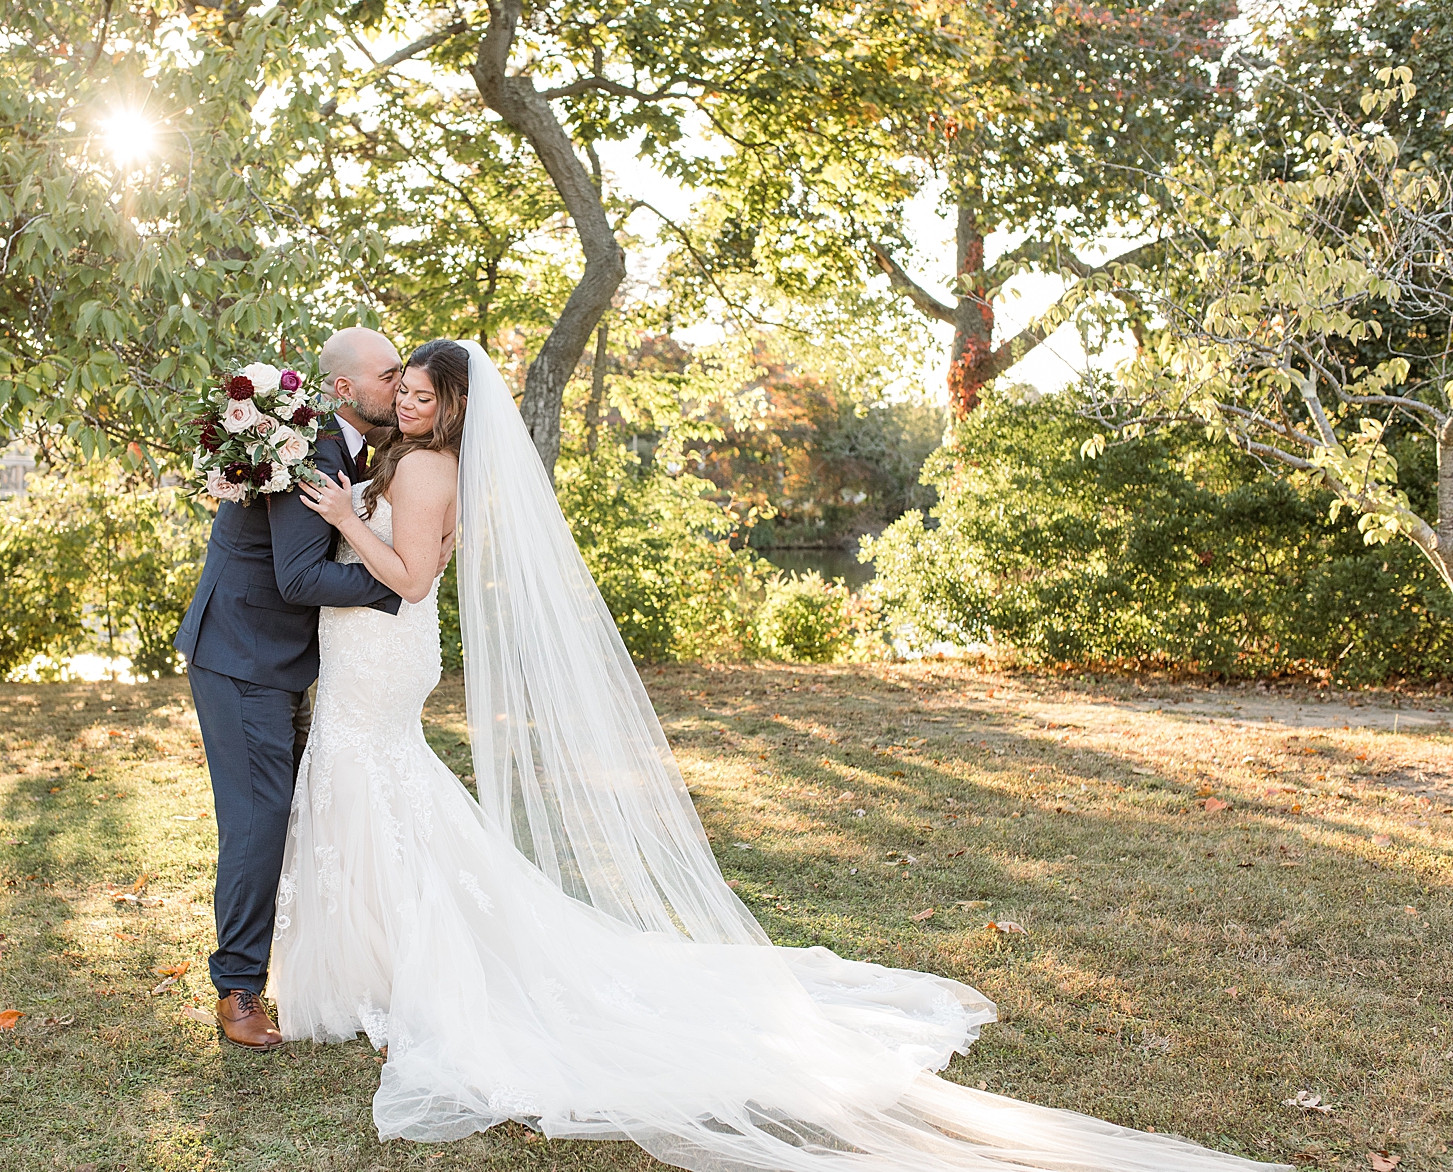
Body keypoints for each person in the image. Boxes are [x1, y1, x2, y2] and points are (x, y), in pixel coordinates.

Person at [283, 338, 1286, 1172]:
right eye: (401, 391)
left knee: (382, 789)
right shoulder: (408, 461)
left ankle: (394, 967)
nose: (407, 404)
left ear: (453, 407)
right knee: (390, 798)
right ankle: (379, 957)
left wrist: (339, 524)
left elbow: (412, 578)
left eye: (422, 394)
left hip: (384, 648)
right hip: (376, 663)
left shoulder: (421, 468)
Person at [172, 327, 402, 1049]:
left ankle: (306, 970)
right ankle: (238, 989)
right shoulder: (307, 450)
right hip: (240, 655)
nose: (401, 386)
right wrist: (402, 581)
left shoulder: (351, 447)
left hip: (282, 656)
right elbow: (299, 578)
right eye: (390, 376)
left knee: (299, 808)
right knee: (259, 819)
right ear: (343, 391)